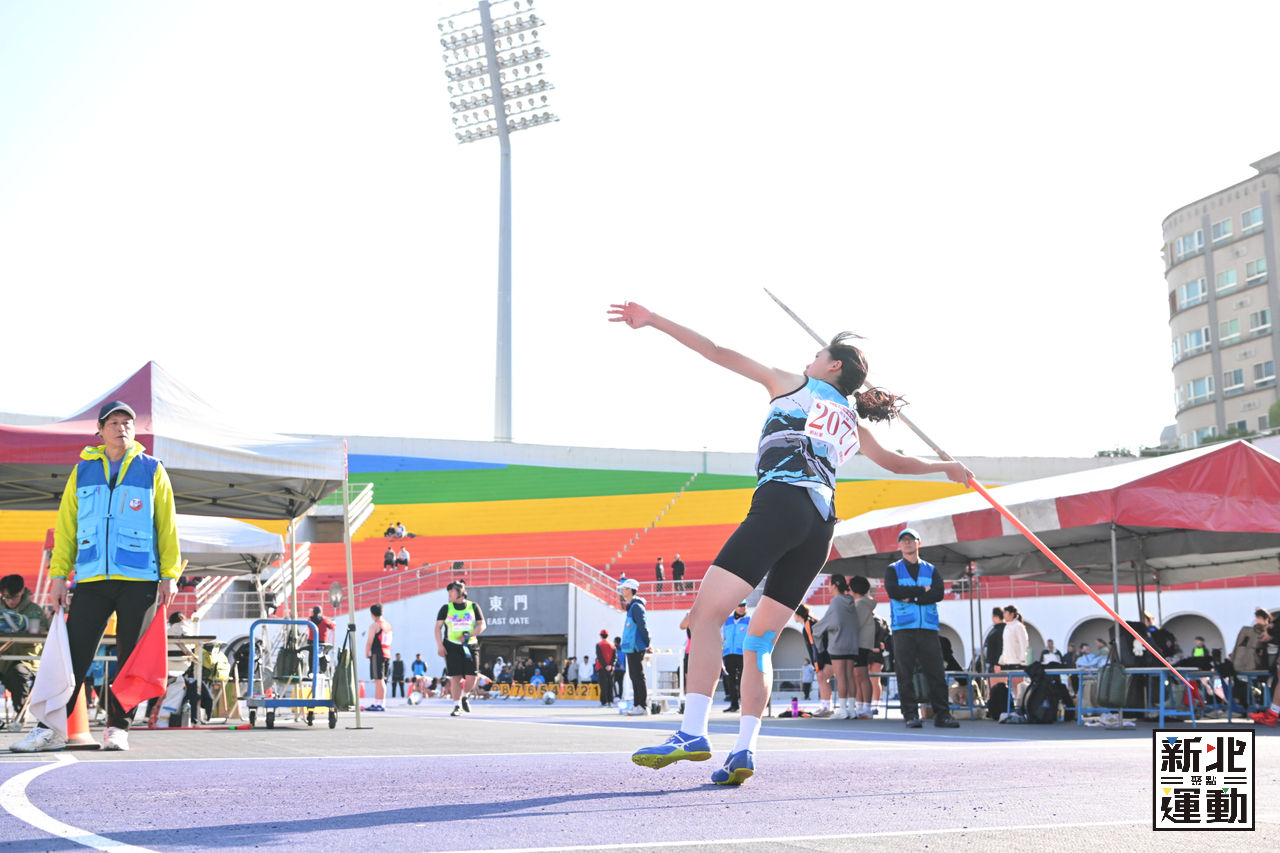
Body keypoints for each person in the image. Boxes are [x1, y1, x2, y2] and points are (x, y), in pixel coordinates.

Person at [613, 301, 972, 784]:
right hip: (820, 525)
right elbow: (895, 463)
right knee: (759, 640)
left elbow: (715, 351)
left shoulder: (793, 384)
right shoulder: (851, 421)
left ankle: (692, 732)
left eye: (817, 354)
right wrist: (947, 469)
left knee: (705, 617)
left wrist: (654, 320)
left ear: (833, 365)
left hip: (781, 503)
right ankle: (744, 749)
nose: (809, 359)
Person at [12, 401, 181, 753]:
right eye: (114, 422)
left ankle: (118, 727)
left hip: (140, 579)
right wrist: (59, 576)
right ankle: (50, 729)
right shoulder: (82, 471)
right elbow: (67, 528)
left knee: (130, 657)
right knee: (74, 655)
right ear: (100, 431)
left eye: (127, 422)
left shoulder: (152, 470)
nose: (122, 428)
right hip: (91, 579)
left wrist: (170, 574)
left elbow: (166, 526)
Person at [884, 529, 959, 729]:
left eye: (911, 540)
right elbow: (893, 591)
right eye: (903, 540)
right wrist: (921, 592)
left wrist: (911, 597)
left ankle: (942, 715)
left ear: (919, 543)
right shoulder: (893, 569)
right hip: (903, 628)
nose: (907, 543)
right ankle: (910, 714)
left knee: (936, 672)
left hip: (927, 627)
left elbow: (938, 593)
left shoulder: (931, 569)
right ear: (899, 545)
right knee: (905, 673)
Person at [0, 575, 51, 730]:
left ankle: (20, 713)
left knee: (18, 672)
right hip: (2, 659)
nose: (10, 601)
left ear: (22, 591)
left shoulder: (34, 610)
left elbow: (45, 634)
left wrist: (28, 629)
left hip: (27, 660)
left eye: (14, 597)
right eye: (6, 597)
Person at [435, 581, 485, 717]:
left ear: (460, 593)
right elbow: (437, 628)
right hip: (452, 646)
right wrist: (440, 646)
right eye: (448, 592)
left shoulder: (473, 606)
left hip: (470, 645)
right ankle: (457, 706)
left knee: (472, 676)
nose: (449, 594)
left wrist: (470, 635)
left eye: (452, 591)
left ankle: (464, 696)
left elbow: (482, 625)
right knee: (455, 677)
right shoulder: (446, 608)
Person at [813, 575, 858, 719]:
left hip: (838, 645)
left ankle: (843, 710)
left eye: (829, 584)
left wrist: (819, 645)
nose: (828, 587)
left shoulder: (836, 602)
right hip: (852, 644)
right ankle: (852, 709)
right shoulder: (851, 601)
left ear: (834, 586)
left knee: (841, 677)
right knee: (850, 676)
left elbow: (826, 624)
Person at [792, 604, 834, 715]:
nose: (793, 616)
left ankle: (827, 708)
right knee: (822, 678)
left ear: (798, 615)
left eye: (794, 614)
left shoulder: (808, 625)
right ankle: (825, 706)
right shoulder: (809, 623)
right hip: (827, 655)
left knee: (822, 677)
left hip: (828, 656)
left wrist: (817, 664)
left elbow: (815, 646)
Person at [620, 579, 650, 715]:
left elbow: (643, 627)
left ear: (631, 590)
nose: (622, 591)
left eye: (624, 588)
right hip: (630, 647)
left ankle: (642, 705)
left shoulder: (636, 607)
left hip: (636, 647)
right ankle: (637, 704)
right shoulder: (631, 607)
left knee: (638, 676)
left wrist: (647, 643)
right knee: (634, 676)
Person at [850, 575, 877, 719]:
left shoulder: (860, 604)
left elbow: (855, 625)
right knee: (859, 676)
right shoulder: (863, 603)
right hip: (862, 643)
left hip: (860, 643)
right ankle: (861, 706)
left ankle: (866, 707)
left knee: (861, 675)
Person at [720, 601, 750, 713]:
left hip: (743, 654)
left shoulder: (749, 621)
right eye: (740, 605)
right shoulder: (727, 621)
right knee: (730, 680)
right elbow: (722, 637)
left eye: (744, 606)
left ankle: (747, 706)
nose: (742, 608)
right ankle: (734, 704)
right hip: (729, 654)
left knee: (744, 680)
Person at [364, 604, 392, 711]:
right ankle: (378, 702)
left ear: (372, 614)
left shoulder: (375, 625)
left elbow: (370, 640)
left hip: (377, 653)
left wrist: (367, 652)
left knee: (379, 680)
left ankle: (380, 703)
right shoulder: (388, 625)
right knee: (381, 680)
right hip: (386, 652)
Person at [997, 604, 1029, 695]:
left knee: (1019, 685)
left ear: (1012, 614)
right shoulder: (1007, 627)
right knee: (1013, 685)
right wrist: (1002, 659)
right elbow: (1005, 646)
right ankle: (1016, 701)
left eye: (1006, 613)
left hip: (1017, 662)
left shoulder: (1018, 626)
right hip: (1009, 662)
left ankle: (1020, 701)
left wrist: (1023, 661)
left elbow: (1024, 644)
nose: (1004, 615)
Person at [595, 631, 616, 705]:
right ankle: (610, 700)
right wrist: (610, 665)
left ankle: (604, 701)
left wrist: (605, 665)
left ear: (601, 636)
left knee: (603, 685)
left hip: (601, 667)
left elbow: (599, 656)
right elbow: (615, 657)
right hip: (611, 668)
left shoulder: (599, 644)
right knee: (610, 684)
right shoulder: (612, 645)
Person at [982, 607, 1004, 673]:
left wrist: (997, 663)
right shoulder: (995, 629)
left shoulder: (1000, 629)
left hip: (996, 663)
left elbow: (1000, 646)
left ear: (996, 616)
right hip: (992, 662)